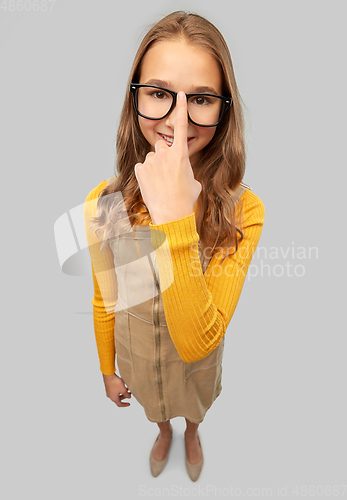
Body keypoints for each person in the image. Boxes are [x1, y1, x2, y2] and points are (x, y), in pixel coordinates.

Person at [83, 10, 265, 482]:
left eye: (201, 98)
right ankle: (164, 431)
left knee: (194, 403)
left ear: (224, 109)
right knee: (155, 406)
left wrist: (176, 218)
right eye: (160, 94)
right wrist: (107, 368)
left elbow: (196, 341)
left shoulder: (244, 212)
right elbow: (106, 298)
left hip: (196, 368)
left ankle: (192, 431)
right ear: (135, 99)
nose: (178, 119)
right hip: (138, 358)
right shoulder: (103, 204)